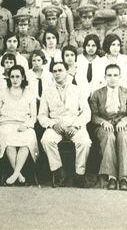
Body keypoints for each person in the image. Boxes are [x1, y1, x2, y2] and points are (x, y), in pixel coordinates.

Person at [38, 60, 91, 188]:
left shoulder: (77, 89)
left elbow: (86, 112)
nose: (57, 73)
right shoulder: (47, 91)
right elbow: (42, 115)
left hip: (74, 124)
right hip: (56, 125)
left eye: (60, 70)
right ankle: (58, 172)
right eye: (54, 71)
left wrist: (76, 125)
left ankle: (80, 174)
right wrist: (52, 125)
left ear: (67, 72)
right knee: (46, 140)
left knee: (85, 142)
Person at [89, 64, 127, 191]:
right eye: (109, 75)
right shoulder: (97, 94)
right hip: (105, 123)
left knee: (123, 138)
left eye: (115, 75)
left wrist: (124, 121)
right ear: (105, 77)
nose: (112, 78)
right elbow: (93, 116)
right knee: (109, 137)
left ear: (120, 77)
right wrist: (103, 122)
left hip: (123, 123)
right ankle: (111, 177)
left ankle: (124, 178)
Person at [0, 64, 38, 185]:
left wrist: (26, 125)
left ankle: (15, 174)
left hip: (24, 125)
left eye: (18, 76)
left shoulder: (30, 93)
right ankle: (19, 175)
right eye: (12, 76)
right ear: (9, 78)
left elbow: (33, 116)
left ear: (23, 77)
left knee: (27, 139)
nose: (15, 79)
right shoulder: (2, 92)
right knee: (8, 140)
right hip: (5, 124)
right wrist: (2, 124)